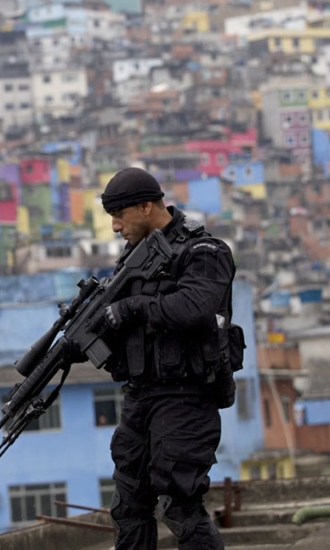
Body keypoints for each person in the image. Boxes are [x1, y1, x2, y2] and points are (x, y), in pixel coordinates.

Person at [99, 167, 236, 550]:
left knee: (179, 506)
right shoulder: (131, 263)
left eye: (119, 216)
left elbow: (194, 306)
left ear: (146, 207)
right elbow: (122, 323)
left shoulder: (204, 252)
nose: (114, 227)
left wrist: (133, 308)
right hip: (140, 396)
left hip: (186, 397)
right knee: (128, 506)